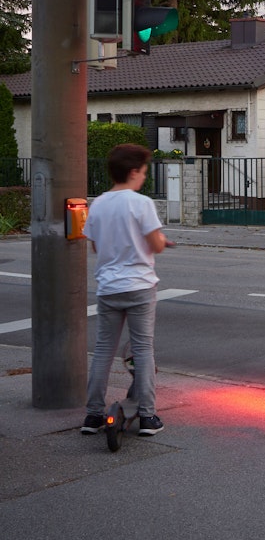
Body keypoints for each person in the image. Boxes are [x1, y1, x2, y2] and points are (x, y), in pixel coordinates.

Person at [80, 144, 173, 436]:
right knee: (143, 350)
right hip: (139, 286)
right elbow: (155, 244)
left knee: (103, 351)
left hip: (108, 288)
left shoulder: (98, 204)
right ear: (133, 172)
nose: (144, 176)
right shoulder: (141, 203)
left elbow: (96, 246)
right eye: (143, 172)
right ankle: (147, 417)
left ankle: (93, 415)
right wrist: (160, 241)